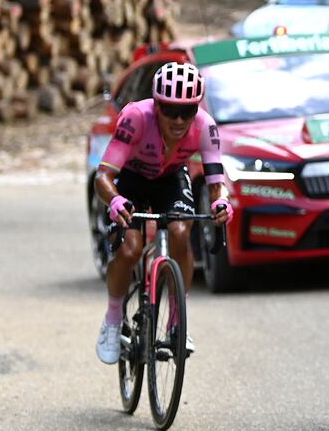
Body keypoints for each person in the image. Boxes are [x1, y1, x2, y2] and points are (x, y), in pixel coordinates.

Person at [94, 62, 232, 363]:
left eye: (188, 110)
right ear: (157, 105)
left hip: (170, 178)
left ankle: (176, 322)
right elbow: (102, 176)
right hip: (131, 178)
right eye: (170, 110)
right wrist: (116, 201)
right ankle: (113, 319)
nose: (179, 119)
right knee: (131, 250)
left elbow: (215, 183)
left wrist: (221, 203)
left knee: (181, 231)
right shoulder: (135, 118)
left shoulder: (205, 126)